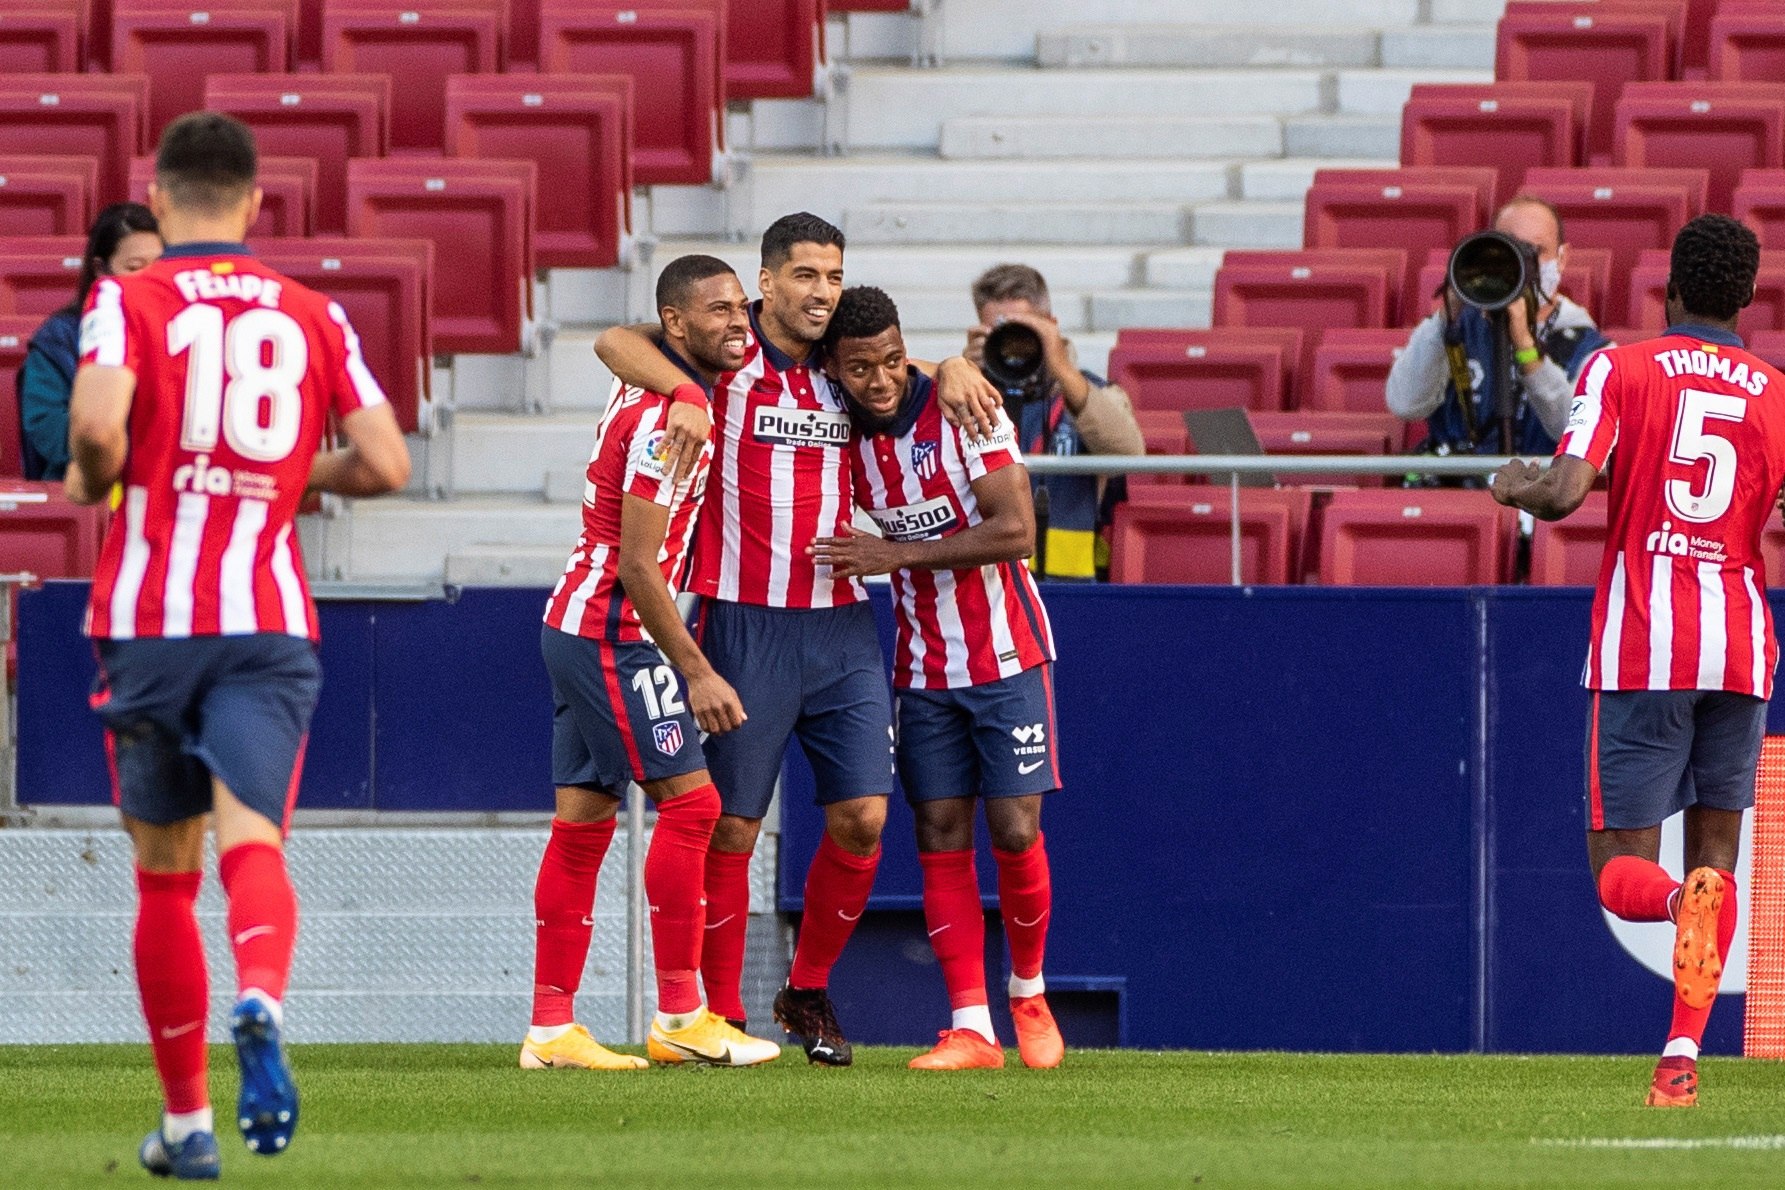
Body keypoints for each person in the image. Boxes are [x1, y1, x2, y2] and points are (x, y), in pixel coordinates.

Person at [66, 112, 410, 1179]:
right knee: (252, 840)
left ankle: (186, 1124)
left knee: (165, 880)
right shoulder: (314, 312)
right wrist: (280, 474)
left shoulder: (129, 296)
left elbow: (92, 429)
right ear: (256, 203)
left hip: (151, 619)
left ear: (159, 200)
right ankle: (260, 996)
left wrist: (99, 476)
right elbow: (386, 462)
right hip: (267, 617)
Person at [594, 213, 1001, 1066]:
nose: (821, 291)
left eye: (832, 275)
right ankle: (716, 1015)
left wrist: (956, 364)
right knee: (733, 830)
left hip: (843, 625)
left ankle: (805, 987)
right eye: (806, 276)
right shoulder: (723, 359)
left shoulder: (840, 367)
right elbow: (610, 339)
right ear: (764, 284)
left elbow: (902, 370)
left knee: (861, 820)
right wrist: (682, 396)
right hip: (742, 621)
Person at [1491, 214, 1785, 1108]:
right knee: (1714, 863)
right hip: (1739, 641)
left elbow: (1568, 489)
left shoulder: (1619, 366)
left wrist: (1515, 484)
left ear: (1671, 290)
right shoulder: (1776, 391)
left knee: (1623, 868)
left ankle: (1670, 913)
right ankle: (1680, 1061)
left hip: (1644, 642)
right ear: (1745, 298)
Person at [524, 254, 780, 1071]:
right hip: (612, 629)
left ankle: (551, 1029)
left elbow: (618, 339)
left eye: (742, 308)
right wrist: (698, 670)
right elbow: (639, 565)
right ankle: (680, 1013)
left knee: (582, 825)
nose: (739, 323)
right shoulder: (664, 425)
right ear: (675, 324)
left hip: (578, 622)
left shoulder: (664, 389)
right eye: (717, 311)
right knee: (693, 809)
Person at [815, 286, 1065, 1071]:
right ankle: (971, 1028)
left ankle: (1028, 991)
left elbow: (1017, 530)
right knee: (938, 833)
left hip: (1006, 654)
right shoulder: (837, 433)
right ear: (837, 370)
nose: (882, 379)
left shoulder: (965, 409)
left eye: (894, 360)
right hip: (921, 666)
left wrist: (898, 555)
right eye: (861, 368)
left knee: (1015, 830)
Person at [1388, 194, 1608, 458]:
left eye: (1534, 252)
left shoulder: (1591, 351)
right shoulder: (1458, 328)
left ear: (1561, 258)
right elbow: (1405, 404)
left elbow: (1582, 435)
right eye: (1509, 250)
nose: (1522, 264)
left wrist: (1527, 348)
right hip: (1453, 489)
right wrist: (1447, 317)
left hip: (1537, 491)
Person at [964, 263, 1144, 581]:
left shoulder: (1091, 393)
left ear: (1052, 325)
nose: (1013, 343)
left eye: (1024, 330)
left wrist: (1059, 365)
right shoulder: (969, 395)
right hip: (989, 585)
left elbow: (1129, 454)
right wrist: (966, 374)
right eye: (1000, 332)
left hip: (1070, 586)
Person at [19, 202, 162, 479]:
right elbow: (48, 428)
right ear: (100, 268)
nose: (148, 280)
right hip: (84, 483)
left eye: (157, 266)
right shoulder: (58, 339)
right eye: (135, 267)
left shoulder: (184, 327)